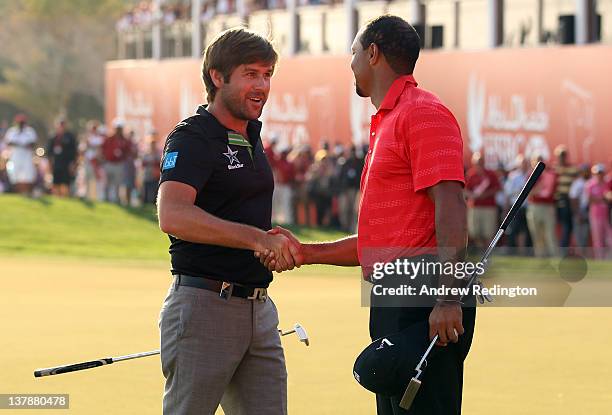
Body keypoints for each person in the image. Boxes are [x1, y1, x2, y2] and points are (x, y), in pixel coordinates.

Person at [257, 15, 475, 415]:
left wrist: (448, 297)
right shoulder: (389, 119)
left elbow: (451, 207)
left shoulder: (422, 112)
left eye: (354, 52)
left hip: (422, 296)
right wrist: (305, 252)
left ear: (373, 53)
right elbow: (382, 241)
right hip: (395, 293)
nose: (350, 62)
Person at [156, 27, 298, 415]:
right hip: (205, 306)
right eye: (251, 74)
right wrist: (256, 240)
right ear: (217, 77)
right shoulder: (194, 137)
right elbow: (173, 214)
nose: (263, 86)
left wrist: (271, 242)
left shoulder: (251, 135)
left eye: (267, 75)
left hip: (259, 308)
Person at [465, 152, 501, 249]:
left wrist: (486, 194)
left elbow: (497, 188)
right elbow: (465, 190)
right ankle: (480, 249)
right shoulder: (470, 174)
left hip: (488, 207)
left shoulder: (490, 174)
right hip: (474, 207)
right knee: (474, 232)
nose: (479, 164)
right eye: (477, 162)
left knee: (488, 232)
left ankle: (487, 251)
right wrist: (472, 195)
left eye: (481, 162)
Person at [526, 155, 558, 258]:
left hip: (548, 206)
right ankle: (540, 256)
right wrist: (538, 189)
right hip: (534, 206)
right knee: (536, 234)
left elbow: (549, 192)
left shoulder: (550, 174)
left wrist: (537, 190)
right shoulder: (531, 175)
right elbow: (528, 192)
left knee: (550, 234)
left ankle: (554, 256)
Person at [504, 154, 533, 252]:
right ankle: (515, 251)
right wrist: (506, 208)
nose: (524, 165)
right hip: (516, 206)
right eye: (522, 163)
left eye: (525, 163)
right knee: (515, 230)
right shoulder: (513, 176)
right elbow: (508, 193)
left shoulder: (531, 175)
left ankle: (524, 251)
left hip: (528, 206)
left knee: (526, 230)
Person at [4, 113, 37, 194]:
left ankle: (27, 191)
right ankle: (16, 191)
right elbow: (8, 142)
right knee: (14, 174)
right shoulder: (12, 131)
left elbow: (33, 143)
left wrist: (24, 144)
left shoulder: (30, 131)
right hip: (15, 156)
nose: (21, 124)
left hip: (26, 156)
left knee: (28, 174)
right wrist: (19, 144)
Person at [553, 145, 578, 250]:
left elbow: (577, 185)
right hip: (554, 201)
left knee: (567, 225)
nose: (562, 157)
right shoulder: (554, 169)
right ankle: (557, 248)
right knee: (555, 225)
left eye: (564, 155)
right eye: (560, 155)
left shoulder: (572, 169)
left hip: (568, 200)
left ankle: (564, 248)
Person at [585, 164, 611, 259]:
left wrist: (603, 198)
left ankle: (608, 259)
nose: (599, 175)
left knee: (609, 239)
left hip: (606, 216)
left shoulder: (606, 184)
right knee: (598, 240)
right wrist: (603, 198)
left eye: (600, 173)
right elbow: (590, 199)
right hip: (595, 215)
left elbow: (608, 196)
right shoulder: (590, 184)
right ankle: (600, 259)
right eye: (597, 173)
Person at [46, 118, 77, 197]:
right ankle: (56, 196)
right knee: (56, 181)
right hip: (56, 163)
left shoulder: (70, 137)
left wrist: (73, 164)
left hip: (66, 163)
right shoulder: (53, 137)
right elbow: (49, 152)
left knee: (65, 181)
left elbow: (73, 152)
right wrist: (49, 163)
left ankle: (65, 196)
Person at [102, 119, 130, 203]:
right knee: (107, 183)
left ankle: (117, 199)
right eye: (117, 128)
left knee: (117, 183)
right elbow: (103, 150)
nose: (118, 130)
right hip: (109, 163)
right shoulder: (109, 139)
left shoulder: (125, 140)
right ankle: (106, 198)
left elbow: (128, 152)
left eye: (120, 128)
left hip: (119, 164)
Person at [569, 164, 591, 254]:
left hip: (589, 209)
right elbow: (573, 199)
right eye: (584, 171)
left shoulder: (591, 181)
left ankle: (584, 255)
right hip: (580, 210)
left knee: (586, 235)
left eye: (587, 170)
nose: (586, 173)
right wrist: (577, 213)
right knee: (579, 235)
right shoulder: (577, 183)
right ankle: (580, 255)